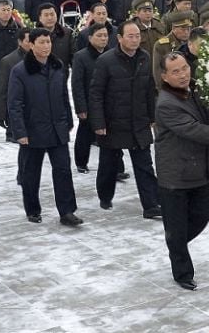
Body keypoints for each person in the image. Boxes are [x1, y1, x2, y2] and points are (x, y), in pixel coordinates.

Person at [154, 52, 209, 290]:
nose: (183, 74)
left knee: (202, 215)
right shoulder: (166, 103)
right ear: (165, 76)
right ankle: (182, 271)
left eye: (184, 68)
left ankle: (175, 245)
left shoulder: (194, 92)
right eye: (175, 71)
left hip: (198, 169)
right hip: (175, 176)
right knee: (176, 227)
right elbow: (194, 130)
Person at [8, 29, 82, 226]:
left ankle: (67, 211)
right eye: (41, 42)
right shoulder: (20, 71)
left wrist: (68, 119)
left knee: (63, 170)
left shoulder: (58, 66)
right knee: (31, 173)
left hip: (57, 127)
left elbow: (63, 95)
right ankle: (32, 209)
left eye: (48, 42)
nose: (46, 46)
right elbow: (14, 104)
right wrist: (20, 132)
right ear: (31, 45)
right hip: (33, 130)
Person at [88, 21, 160, 218]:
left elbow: (149, 90)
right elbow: (95, 94)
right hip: (113, 123)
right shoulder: (106, 61)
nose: (135, 39)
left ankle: (151, 205)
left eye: (137, 36)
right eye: (130, 36)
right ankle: (105, 195)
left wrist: (152, 117)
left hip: (138, 122)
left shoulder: (144, 58)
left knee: (144, 165)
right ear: (119, 38)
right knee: (108, 166)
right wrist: (99, 123)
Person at [72, 23, 111, 174]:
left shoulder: (112, 54)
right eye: (99, 36)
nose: (103, 39)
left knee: (112, 136)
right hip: (89, 103)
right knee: (85, 133)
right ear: (90, 38)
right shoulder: (81, 56)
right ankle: (81, 162)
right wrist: (81, 107)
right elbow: (77, 84)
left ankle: (116, 167)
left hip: (109, 102)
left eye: (105, 35)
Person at [0, 28, 31, 144]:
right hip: (15, 114)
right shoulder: (9, 61)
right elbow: (2, 90)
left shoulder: (42, 58)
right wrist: (0, 114)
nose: (31, 44)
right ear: (20, 42)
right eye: (28, 41)